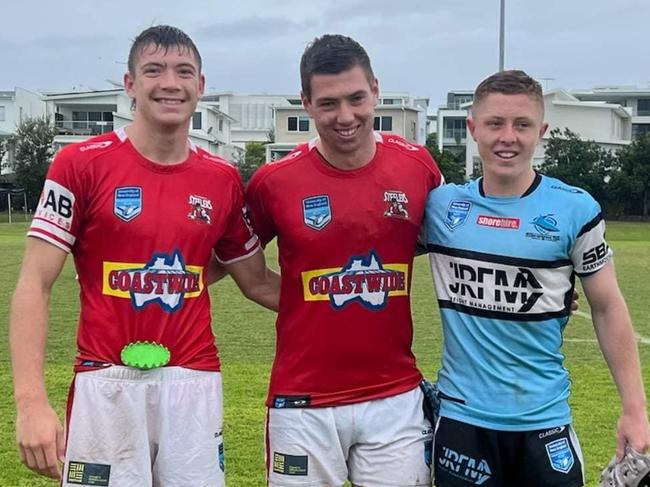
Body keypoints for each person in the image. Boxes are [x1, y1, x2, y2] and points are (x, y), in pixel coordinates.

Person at [10, 25, 279, 486]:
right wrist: (31, 401)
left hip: (193, 381)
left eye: (183, 71)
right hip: (105, 381)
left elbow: (256, 281)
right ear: (130, 84)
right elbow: (35, 282)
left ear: (201, 85)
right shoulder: (79, 163)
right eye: (154, 70)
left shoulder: (223, 178)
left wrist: (341, 298)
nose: (170, 83)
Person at [423, 70, 650, 486]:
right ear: (473, 128)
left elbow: (607, 305)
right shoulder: (440, 208)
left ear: (541, 131)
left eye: (521, 124)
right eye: (495, 123)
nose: (507, 136)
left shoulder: (574, 210)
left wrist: (635, 409)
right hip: (463, 421)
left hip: (544, 421)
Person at [246, 34, 444, 487]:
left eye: (356, 98)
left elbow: (457, 241)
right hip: (302, 402)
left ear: (375, 89)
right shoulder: (273, 182)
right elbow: (238, 267)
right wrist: (311, 303)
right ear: (306, 102)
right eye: (329, 103)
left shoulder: (417, 166)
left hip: (394, 397)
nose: (346, 116)